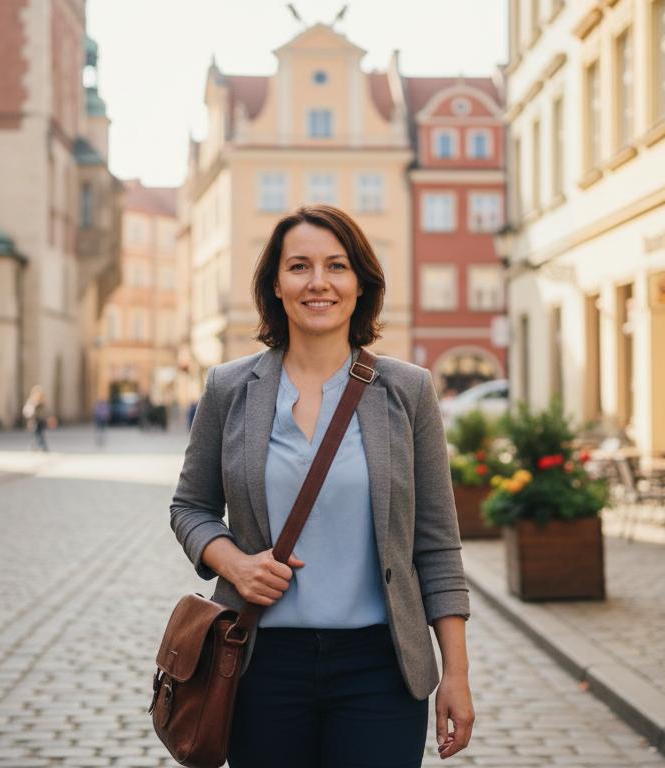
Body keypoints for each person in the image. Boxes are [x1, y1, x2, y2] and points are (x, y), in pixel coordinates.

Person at [168, 205, 475, 766]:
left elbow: (436, 545)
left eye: (337, 266)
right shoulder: (229, 388)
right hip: (259, 662)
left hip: (381, 668)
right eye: (299, 266)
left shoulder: (408, 391)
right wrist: (232, 562)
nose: (318, 282)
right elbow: (190, 507)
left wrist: (455, 672)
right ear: (276, 285)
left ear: (360, 284)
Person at [22, 386, 54, 452]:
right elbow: (29, 412)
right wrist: (30, 420)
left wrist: (49, 419)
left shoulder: (42, 402)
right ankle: (39, 447)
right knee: (37, 434)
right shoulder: (32, 402)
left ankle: (39, 447)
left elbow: (46, 412)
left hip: (41, 421)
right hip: (34, 421)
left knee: (40, 434)